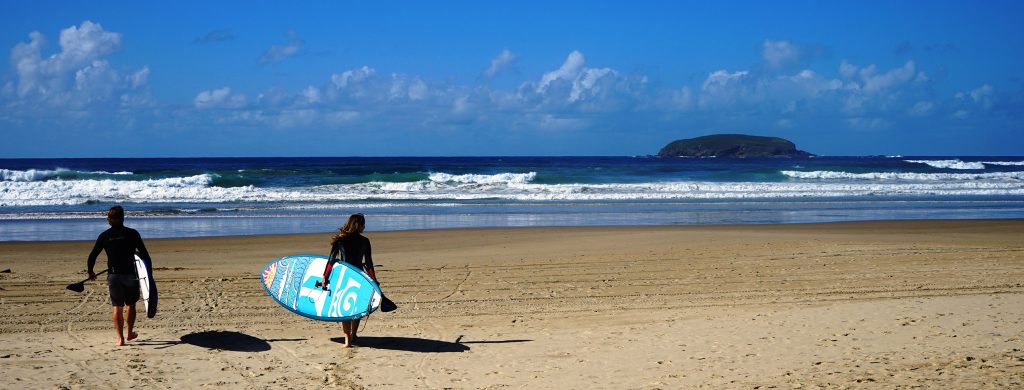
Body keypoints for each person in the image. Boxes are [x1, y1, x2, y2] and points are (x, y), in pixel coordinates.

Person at [86, 205, 152, 347]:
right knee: (131, 305)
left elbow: (92, 256)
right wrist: (149, 274)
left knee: (117, 307)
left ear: (109, 220)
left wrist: (90, 271)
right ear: (122, 218)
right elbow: (145, 255)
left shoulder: (104, 236)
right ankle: (129, 333)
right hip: (131, 274)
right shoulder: (132, 233)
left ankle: (120, 338)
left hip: (114, 275)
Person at [323, 213, 378, 348]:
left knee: (345, 309)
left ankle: (347, 339)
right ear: (359, 225)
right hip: (359, 276)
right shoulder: (365, 241)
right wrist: (374, 280)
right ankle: (353, 334)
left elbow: (331, 260)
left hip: (344, 276)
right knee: (356, 307)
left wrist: (325, 276)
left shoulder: (340, 240)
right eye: (363, 224)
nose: (365, 226)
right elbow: (369, 263)